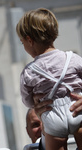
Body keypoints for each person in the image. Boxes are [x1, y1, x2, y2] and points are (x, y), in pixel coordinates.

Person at [16, 8, 82, 150]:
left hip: (52, 113)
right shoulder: (73, 58)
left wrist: (34, 103)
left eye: (22, 43)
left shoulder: (28, 72)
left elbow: (27, 101)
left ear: (29, 40)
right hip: (77, 108)